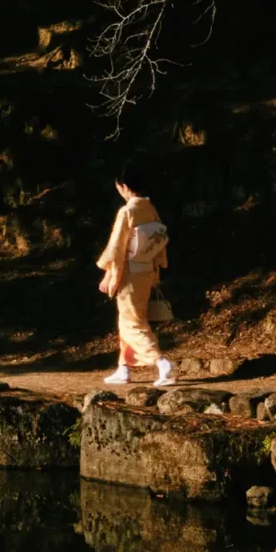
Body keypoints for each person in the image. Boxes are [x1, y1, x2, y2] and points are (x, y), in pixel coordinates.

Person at [96, 165, 174, 386]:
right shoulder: (150, 209)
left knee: (133, 322)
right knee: (127, 318)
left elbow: (117, 247)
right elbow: (159, 240)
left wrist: (109, 274)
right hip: (146, 270)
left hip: (129, 272)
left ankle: (161, 362)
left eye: (119, 188)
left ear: (125, 187)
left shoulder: (127, 211)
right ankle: (123, 368)